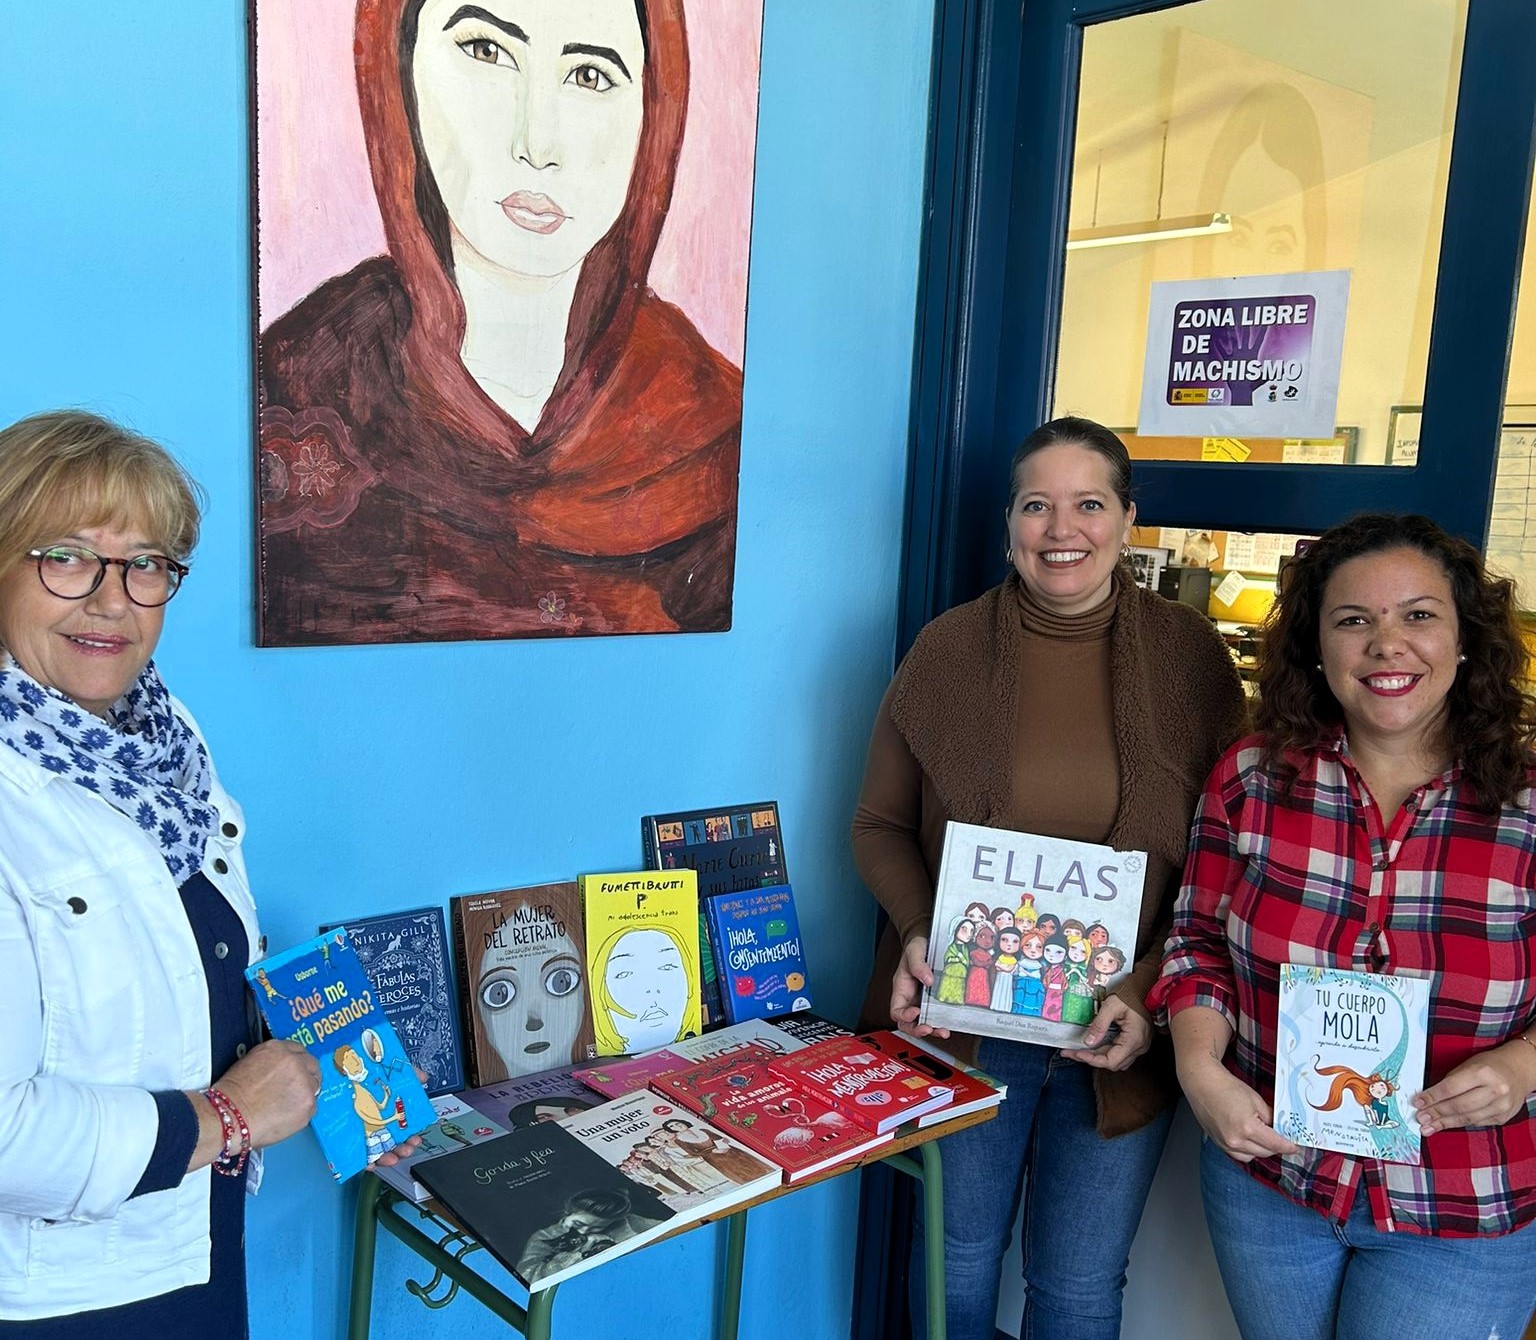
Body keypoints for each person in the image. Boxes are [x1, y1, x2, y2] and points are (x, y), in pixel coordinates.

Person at [852, 416, 1247, 1340]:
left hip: (1123, 1028)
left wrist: (1150, 989)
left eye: (1088, 504)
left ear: (1126, 518)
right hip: (969, 1020)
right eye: (1038, 504)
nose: (1061, 527)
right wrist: (921, 932)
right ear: (1010, 523)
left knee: (1077, 1286)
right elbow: (876, 825)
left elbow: (1231, 863)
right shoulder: (945, 651)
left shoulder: (1192, 661)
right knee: (954, 1259)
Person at [1152, 512, 1536, 1340]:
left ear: (1466, 638)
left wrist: (1524, 1064)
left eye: (1419, 615)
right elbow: (1197, 945)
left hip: (1463, 1202)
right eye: (1353, 620)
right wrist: (1197, 1068)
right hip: (1273, 1182)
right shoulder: (1252, 777)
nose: (1386, 643)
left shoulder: (1527, 801)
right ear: (1317, 649)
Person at [257, 0, 742, 644]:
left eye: (591, 76)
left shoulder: (713, 430)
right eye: (486, 52)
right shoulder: (295, 383)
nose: (536, 145)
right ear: (398, 73)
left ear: (653, 113)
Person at [0, 411, 315, 1332]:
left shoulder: (163, 743)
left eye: (145, 564)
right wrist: (227, 1116)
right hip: (62, 1296)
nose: (111, 600)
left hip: (193, 1237)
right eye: (66, 556)